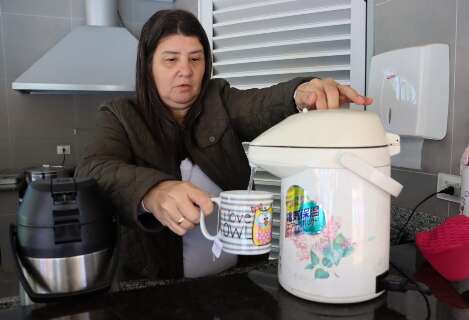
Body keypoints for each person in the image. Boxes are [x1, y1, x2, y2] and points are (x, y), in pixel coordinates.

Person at [75, 9, 373, 281]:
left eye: (195, 58)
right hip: (155, 290)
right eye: (170, 59)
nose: (186, 71)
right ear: (148, 64)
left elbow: (261, 103)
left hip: (238, 281)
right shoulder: (120, 116)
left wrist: (300, 92)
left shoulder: (220, 100)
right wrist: (152, 191)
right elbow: (95, 168)